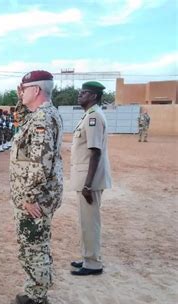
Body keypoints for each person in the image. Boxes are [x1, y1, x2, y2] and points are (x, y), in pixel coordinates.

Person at [7, 70, 63, 304]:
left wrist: (29, 197)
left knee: (34, 248)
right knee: (32, 245)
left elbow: (41, 163)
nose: (21, 92)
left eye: (24, 88)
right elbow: (19, 117)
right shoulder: (40, 114)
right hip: (35, 196)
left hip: (35, 200)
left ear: (37, 90)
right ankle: (36, 292)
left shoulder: (42, 119)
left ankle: (36, 300)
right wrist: (20, 99)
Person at [70, 81, 112, 276]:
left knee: (90, 222)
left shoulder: (93, 117)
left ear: (93, 96)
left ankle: (93, 263)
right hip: (86, 177)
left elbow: (95, 152)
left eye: (84, 93)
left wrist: (87, 185)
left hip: (89, 181)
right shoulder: (89, 115)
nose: (80, 95)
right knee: (86, 222)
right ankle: (88, 257)